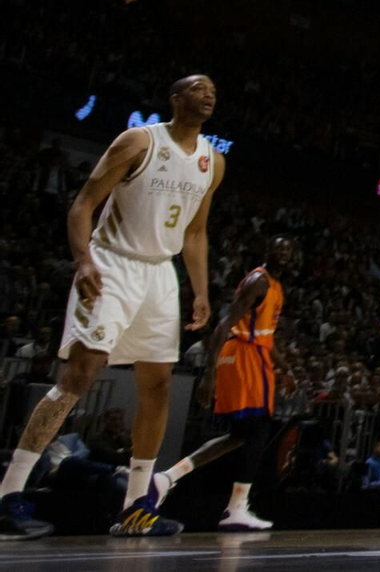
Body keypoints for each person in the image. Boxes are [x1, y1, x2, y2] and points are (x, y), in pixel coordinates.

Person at [0, 76, 224, 540]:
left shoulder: (213, 161)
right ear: (176, 98)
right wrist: (82, 261)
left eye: (213, 92)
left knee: (159, 384)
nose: (208, 95)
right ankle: (9, 493)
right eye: (198, 88)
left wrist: (200, 291)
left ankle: (135, 508)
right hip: (113, 262)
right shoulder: (139, 141)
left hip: (162, 272)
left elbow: (196, 232)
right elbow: (82, 204)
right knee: (80, 375)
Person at [153, 235, 297, 531]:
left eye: (287, 250)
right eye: (278, 247)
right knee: (258, 430)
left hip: (255, 354)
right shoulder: (258, 280)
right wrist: (209, 373)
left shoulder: (276, 286)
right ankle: (236, 508)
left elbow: (265, 334)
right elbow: (224, 323)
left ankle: (167, 477)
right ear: (267, 249)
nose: (283, 253)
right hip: (242, 356)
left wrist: (285, 368)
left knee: (240, 435)